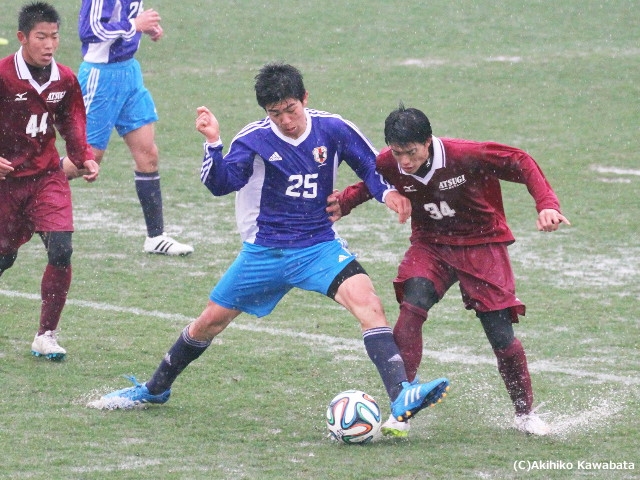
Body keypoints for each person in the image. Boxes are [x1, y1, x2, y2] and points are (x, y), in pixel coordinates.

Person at [94, 64, 449, 428]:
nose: (286, 120)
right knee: (208, 324)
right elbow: (221, 183)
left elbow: (370, 166)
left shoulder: (333, 128)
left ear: (305, 99)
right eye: (275, 113)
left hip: (318, 246)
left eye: (291, 109)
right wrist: (214, 142)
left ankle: (401, 393)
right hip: (265, 251)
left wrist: (387, 193)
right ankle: (155, 388)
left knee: (369, 303)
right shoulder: (254, 139)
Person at [328, 104, 570, 436]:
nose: (406, 162)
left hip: (481, 244)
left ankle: (525, 414)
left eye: (411, 152)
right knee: (412, 302)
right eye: (399, 154)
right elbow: (376, 180)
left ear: (428, 141)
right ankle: (402, 404)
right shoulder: (390, 161)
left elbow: (520, 160)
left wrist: (547, 205)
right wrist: (345, 201)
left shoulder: (466, 155)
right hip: (431, 243)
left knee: (500, 335)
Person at [0, 2, 100, 361]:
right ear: (23, 38)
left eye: (54, 37)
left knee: (61, 249)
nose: (49, 44)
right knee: (4, 258)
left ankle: (46, 335)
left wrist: (82, 155)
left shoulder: (65, 78)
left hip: (46, 178)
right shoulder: (3, 75)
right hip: (7, 186)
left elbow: (72, 119)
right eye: (41, 37)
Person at [62, 0, 193, 256]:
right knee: (86, 160)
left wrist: (144, 28)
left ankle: (155, 237)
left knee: (148, 154)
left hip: (130, 73)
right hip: (101, 77)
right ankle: (20, 181)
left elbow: (124, 18)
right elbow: (89, 31)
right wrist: (134, 25)